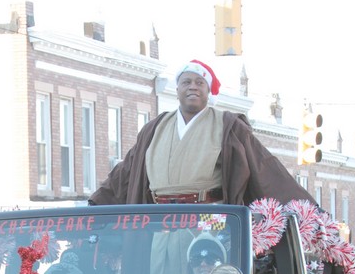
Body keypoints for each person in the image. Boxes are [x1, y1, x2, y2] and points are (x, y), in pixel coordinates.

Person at [89, 58, 314, 208]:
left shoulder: (228, 126)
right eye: (186, 82)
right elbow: (125, 174)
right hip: (157, 225)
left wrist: (305, 210)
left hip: (210, 222)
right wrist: (95, 203)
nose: (192, 87)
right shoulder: (154, 129)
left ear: (208, 91)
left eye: (199, 82)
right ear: (177, 90)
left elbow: (264, 167)